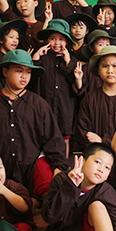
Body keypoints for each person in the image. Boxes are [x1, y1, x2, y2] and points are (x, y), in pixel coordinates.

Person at [0, 50, 70, 198]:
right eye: (19, 71)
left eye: (28, 72)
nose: (24, 76)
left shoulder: (39, 104)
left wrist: (58, 167)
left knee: (47, 198)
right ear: (5, 72)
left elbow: (53, 140)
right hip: (0, 169)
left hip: (32, 166)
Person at [33, 19, 78, 155]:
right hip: (45, 104)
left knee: (65, 137)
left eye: (61, 39)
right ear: (47, 41)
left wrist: (68, 62)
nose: (57, 43)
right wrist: (36, 57)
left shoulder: (72, 60)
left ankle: (63, 166)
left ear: (67, 42)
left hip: (65, 106)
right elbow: (32, 78)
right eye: (53, 39)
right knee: (43, 134)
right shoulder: (43, 58)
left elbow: (75, 83)